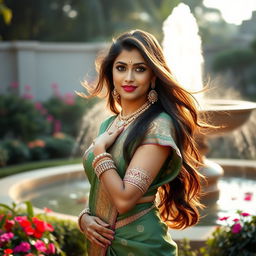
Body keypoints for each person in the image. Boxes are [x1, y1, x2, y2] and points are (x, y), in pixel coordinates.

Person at [77, 29, 206, 256]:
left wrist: (99, 150)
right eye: (121, 68)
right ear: (111, 73)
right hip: (104, 243)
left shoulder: (158, 127)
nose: (128, 77)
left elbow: (124, 199)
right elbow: (102, 189)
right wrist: (85, 218)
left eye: (140, 69)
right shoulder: (108, 125)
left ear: (153, 76)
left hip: (141, 245)